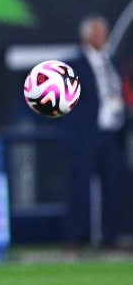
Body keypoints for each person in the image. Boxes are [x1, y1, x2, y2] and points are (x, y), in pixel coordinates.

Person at [59, 15, 127, 249]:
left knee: (114, 185)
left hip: (112, 133)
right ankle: (76, 237)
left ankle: (111, 237)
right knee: (79, 188)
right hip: (85, 135)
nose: (101, 36)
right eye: (96, 32)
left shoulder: (113, 60)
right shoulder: (73, 65)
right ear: (85, 36)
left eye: (103, 32)